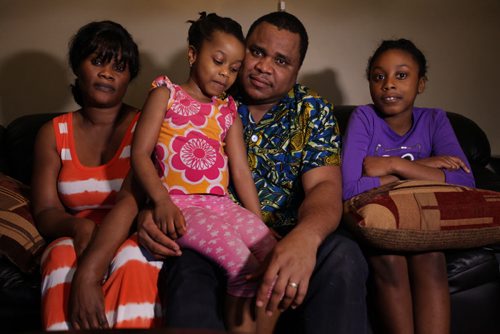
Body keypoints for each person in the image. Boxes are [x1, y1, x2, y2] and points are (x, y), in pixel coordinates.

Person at [137, 11, 370, 334]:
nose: (263, 67)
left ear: (297, 70)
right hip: (205, 230)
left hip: (288, 233)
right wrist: (150, 210)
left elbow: (324, 189)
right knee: (187, 269)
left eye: (281, 61)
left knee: (343, 255)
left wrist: (306, 237)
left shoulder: (312, 110)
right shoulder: (210, 94)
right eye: (257, 52)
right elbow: (151, 160)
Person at [131, 12, 277, 333]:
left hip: (222, 205)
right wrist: (161, 201)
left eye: (234, 69)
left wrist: (258, 223)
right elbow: (139, 154)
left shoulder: (227, 111)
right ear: (193, 53)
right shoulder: (165, 95)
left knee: (274, 257)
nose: (225, 74)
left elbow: (239, 170)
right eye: (218, 61)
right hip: (181, 206)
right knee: (244, 267)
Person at [32, 21, 162, 330]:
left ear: (130, 77)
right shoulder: (52, 133)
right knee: (61, 256)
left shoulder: (146, 126)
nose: (108, 73)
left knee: (134, 258)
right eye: (98, 61)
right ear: (78, 66)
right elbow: (46, 210)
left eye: (120, 66)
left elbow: (134, 199)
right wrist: (79, 227)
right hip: (75, 236)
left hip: (130, 232)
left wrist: (91, 271)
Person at [341, 38, 475, 334]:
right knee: (389, 258)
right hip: (378, 226)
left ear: (421, 83)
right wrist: (427, 167)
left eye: (401, 75)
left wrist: (393, 166)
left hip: (421, 223)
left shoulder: (435, 120)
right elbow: (350, 189)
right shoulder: (364, 118)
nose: (389, 84)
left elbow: (466, 181)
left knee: (430, 256)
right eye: (379, 77)